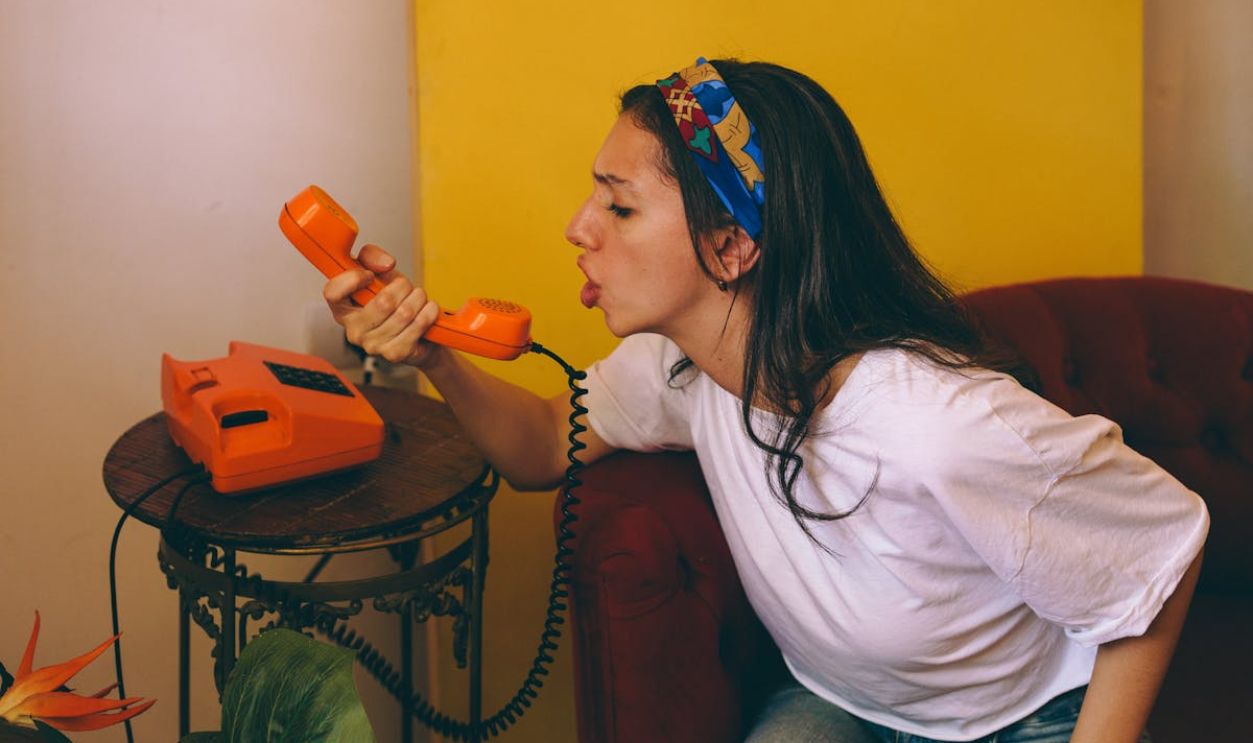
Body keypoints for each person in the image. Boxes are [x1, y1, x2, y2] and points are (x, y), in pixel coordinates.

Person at [322, 58, 1208, 743]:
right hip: (844, 704)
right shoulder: (680, 369)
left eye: (618, 208)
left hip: (1020, 715)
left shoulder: (934, 422)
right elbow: (543, 444)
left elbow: (1163, 544)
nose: (577, 227)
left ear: (730, 246)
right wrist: (436, 355)